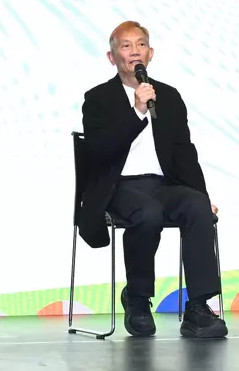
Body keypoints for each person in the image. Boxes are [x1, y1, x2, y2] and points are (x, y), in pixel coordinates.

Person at [78, 21, 227, 339]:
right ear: (112, 57)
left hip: (163, 185)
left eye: (141, 44)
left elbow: (185, 153)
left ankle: (198, 306)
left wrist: (202, 196)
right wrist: (136, 111)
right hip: (118, 187)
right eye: (126, 46)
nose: (135, 51)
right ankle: (138, 297)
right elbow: (99, 151)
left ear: (151, 53)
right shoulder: (98, 98)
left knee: (197, 207)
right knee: (147, 213)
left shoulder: (168, 97)